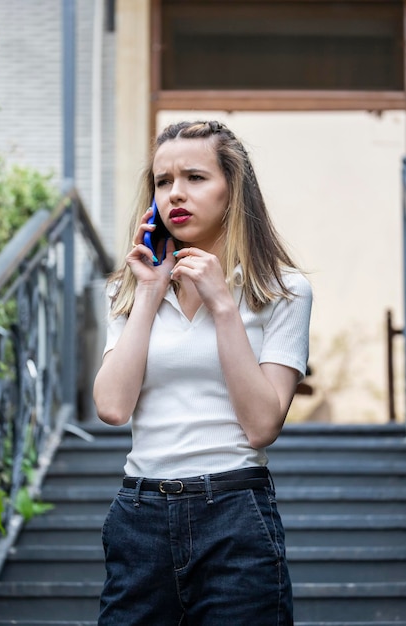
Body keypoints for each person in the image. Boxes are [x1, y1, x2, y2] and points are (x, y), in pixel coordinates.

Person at [93, 120, 312, 626]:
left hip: (235, 512)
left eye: (194, 177)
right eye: (163, 181)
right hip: (140, 512)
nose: (176, 194)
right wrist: (148, 293)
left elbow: (262, 425)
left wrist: (222, 305)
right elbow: (111, 407)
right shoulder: (128, 291)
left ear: (233, 189)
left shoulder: (283, 291)